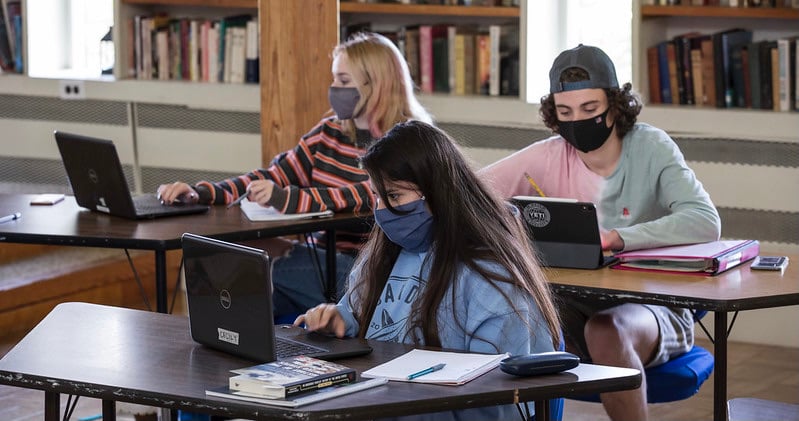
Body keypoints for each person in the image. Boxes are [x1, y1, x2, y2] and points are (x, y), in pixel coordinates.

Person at [481, 44, 721, 420]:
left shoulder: (652, 146)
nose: (576, 120)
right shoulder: (547, 154)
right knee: (509, 318)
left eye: (590, 110)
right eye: (565, 112)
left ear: (615, 104)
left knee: (607, 330)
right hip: (577, 300)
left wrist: (618, 237)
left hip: (656, 305)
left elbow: (704, 219)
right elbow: (469, 192)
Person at [295, 120, 562, 421]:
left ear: (437, 193)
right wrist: (339, 319)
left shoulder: (491, 278)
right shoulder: (388, 251)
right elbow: (361, 314)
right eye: (378, 196)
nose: (382, 211)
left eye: (394, 196)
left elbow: (495, 401)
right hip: (380, 403)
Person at [157, 32, 433, 318]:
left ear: (375, 84)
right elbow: (276, 173)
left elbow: (364, 195)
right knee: (235, 257)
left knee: (260, 271)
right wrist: (203, 192)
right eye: (334, 79)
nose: (334, 88)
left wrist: (287, 199)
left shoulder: (409, 139)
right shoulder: (330, 131)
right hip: (317, 259)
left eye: (344, 81)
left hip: (373, 265)